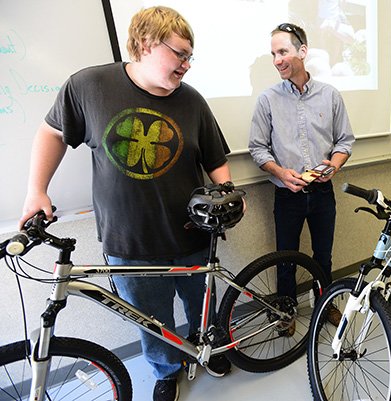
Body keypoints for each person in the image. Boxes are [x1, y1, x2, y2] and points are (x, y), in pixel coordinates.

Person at [19, 7, 233, 401]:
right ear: (146, 44)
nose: (187, 65)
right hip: (129, 243)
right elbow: (52, 133)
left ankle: (211, 349)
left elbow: (216, 161)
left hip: (193, 236)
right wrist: (37, 191)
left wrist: (228, 192)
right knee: (151, 322)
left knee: (204, 305)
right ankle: (167, 371)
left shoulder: (193, 101)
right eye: (180, 54)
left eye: (190, 57)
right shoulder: (89, 86)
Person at [248, 23, 354, 325]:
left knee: (323, 256)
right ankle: (286, 309)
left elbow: (345, 141)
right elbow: (257, 148)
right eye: (273, 54)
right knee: (286, 259)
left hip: (322, 194)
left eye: (283, 51)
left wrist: (334, 164)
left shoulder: (330, 96)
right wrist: (280, 172)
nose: (277, 60)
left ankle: (325, 304)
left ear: (303, 51)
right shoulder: (267, 100)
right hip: (287, 194)